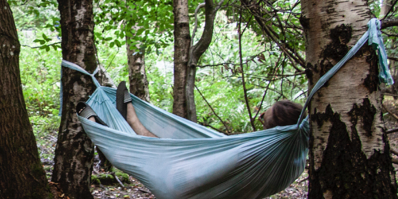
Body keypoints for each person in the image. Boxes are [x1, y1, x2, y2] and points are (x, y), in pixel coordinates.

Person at [78, 82, 303, 135]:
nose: (261, 115)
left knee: (153, 148)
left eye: (266, 116)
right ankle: (131, 121)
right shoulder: (285, 150)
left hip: (203, 172)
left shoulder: (268, 148)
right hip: (211, 163)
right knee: (159, 144)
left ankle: (111, 126)